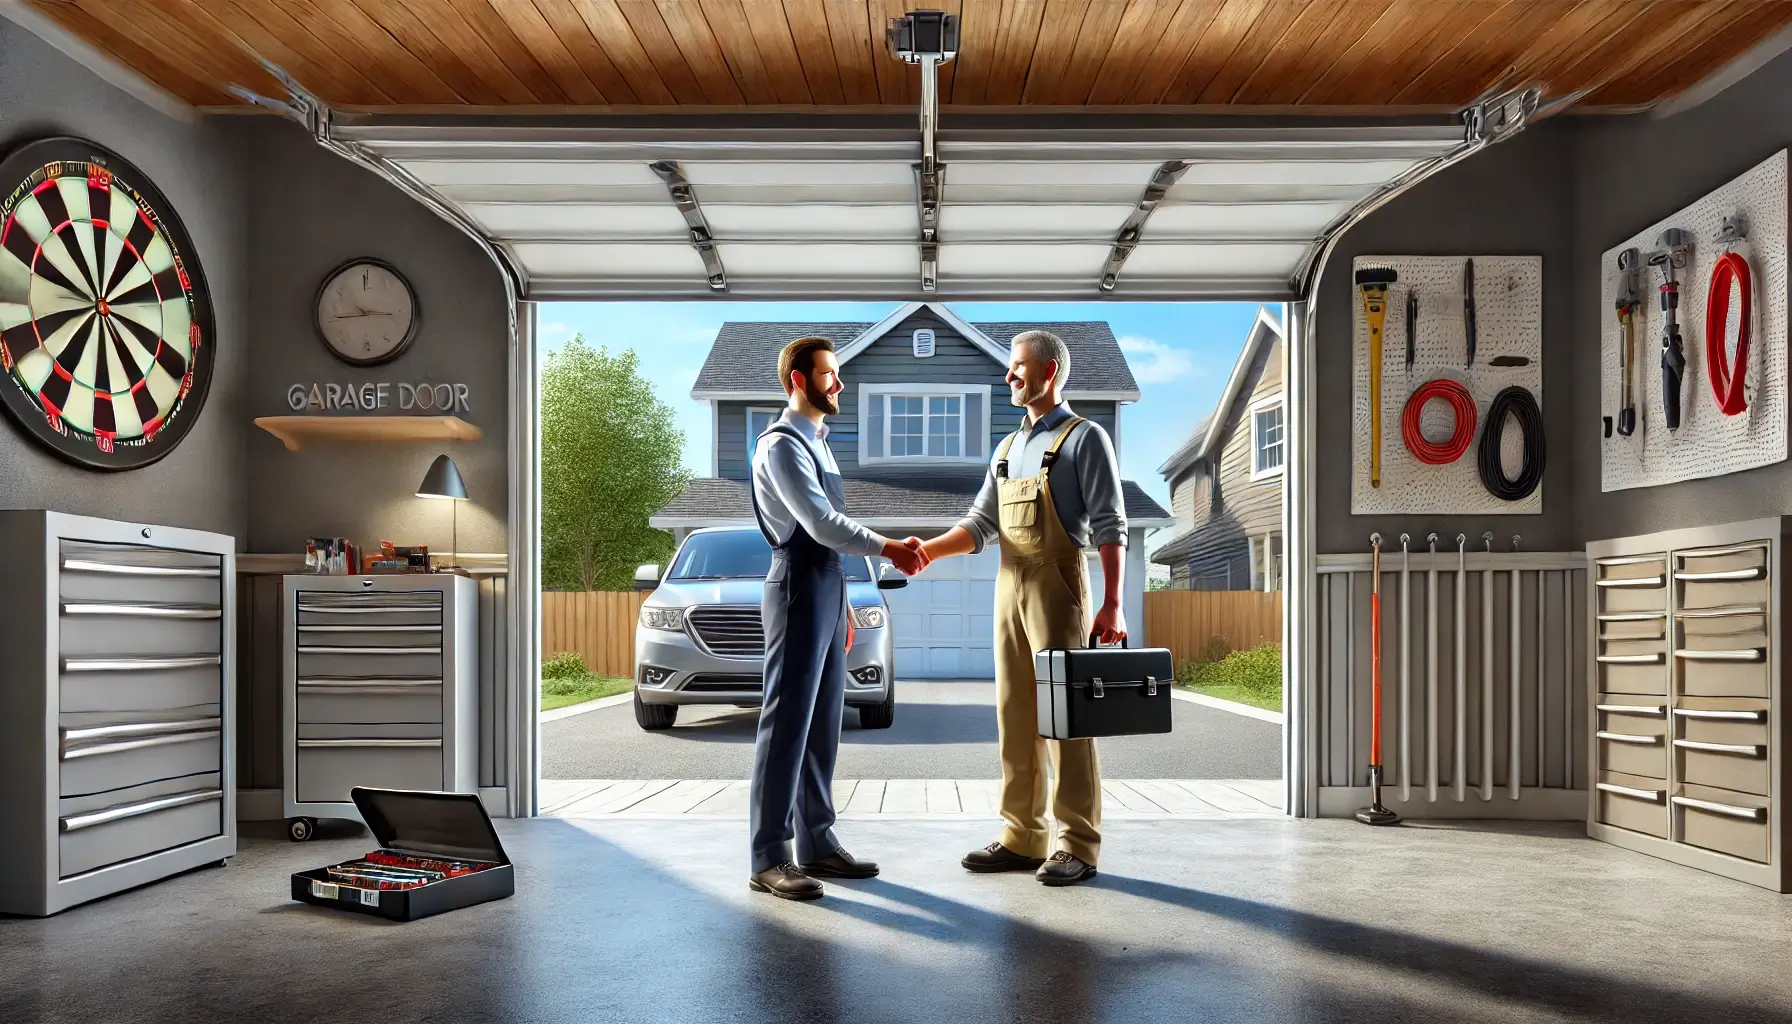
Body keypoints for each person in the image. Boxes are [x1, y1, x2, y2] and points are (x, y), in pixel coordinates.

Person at [920, 329, 1127, 887]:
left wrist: (1112, 604)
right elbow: (981, 524)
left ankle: (1077, 842)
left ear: (1049, 372)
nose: (1008, 375)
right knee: (1015, 715)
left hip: (1059, 583)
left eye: (1017, 366)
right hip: (1008, 583)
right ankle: (1023, 836)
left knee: (1067, 720)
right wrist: (928, 553)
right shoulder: (1008, 448)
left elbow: (1111, 525)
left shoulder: (1085, 439)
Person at [747, 335, 929, 901]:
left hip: (827, 588)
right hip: (797, 584)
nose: (839, 383)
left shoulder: (819, 443)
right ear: (799, 379)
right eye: (829, 374)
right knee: (786, 724)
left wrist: (846, 602)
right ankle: (768, 856)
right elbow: (822, 525)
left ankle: (817, 843)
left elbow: (829, 539)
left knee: (823, 721)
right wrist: (889, 547)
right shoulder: (782, 446)